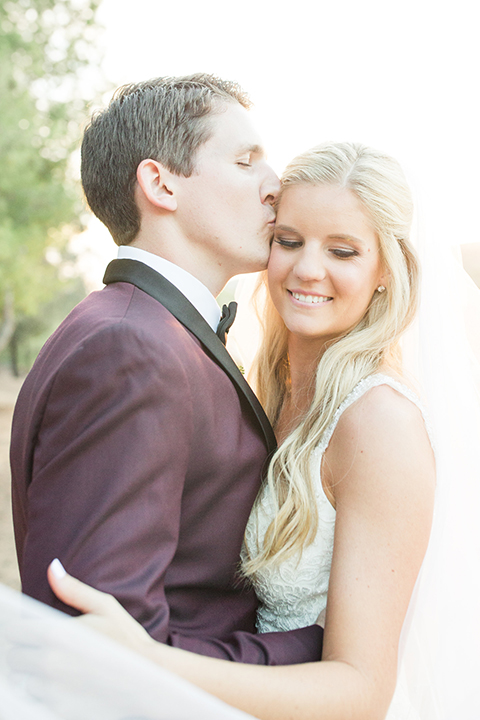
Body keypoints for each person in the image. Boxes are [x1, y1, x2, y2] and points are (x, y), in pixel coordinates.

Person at [48, 142, 444, 720]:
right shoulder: (272, 383)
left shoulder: (379, 423)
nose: (308, 269)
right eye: (290, 241)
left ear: (385, 270)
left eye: (343, 250)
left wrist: (148, 658)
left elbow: (361, 692)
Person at [9, 74, 324, 664]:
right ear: (160, 184)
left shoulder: (146, 331)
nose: (275, 185)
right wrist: (314, 647)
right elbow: (97, 646)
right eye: (244, 160)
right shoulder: (131, 350)